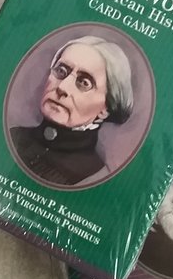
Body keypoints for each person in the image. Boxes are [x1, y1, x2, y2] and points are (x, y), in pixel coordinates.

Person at [9, 35, 133, 187]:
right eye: (61, 71)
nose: (62, 87)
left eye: (84, 82)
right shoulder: (14, 136)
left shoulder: (92, 177)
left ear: (105, 109)